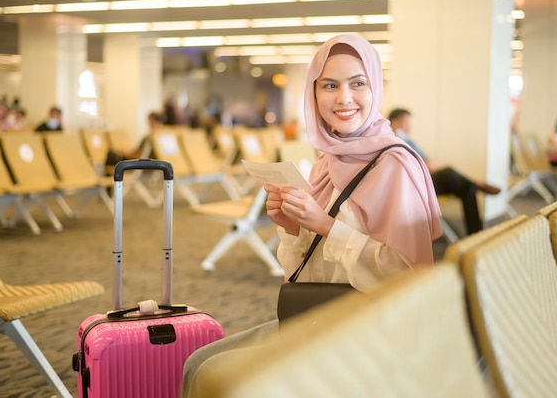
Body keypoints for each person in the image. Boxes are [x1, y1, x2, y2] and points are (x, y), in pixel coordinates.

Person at [181, 34, 443, 397]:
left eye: (358, 83)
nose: (343, 98)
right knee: (196, 363)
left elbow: (409, 278)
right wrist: (292, 230)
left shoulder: (394, 164)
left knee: (215, 373)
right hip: (321, 313)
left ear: (376, 88)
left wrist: (324, 225)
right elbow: (304, 274)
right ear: (313, 92)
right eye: (330, 85)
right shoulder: (327, 160)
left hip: (373, 328)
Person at [388, 108, 501, 235]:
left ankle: (476, 234)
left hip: (427, 176)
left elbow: (426, 158)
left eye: (409, 123)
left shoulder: (409, 140)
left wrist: (426, 165)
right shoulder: (392, 141)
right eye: (405, 122)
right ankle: (478, 183)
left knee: (468, 188)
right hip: (416, 184)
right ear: (393, 122)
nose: (409, 126)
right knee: (448, 172)